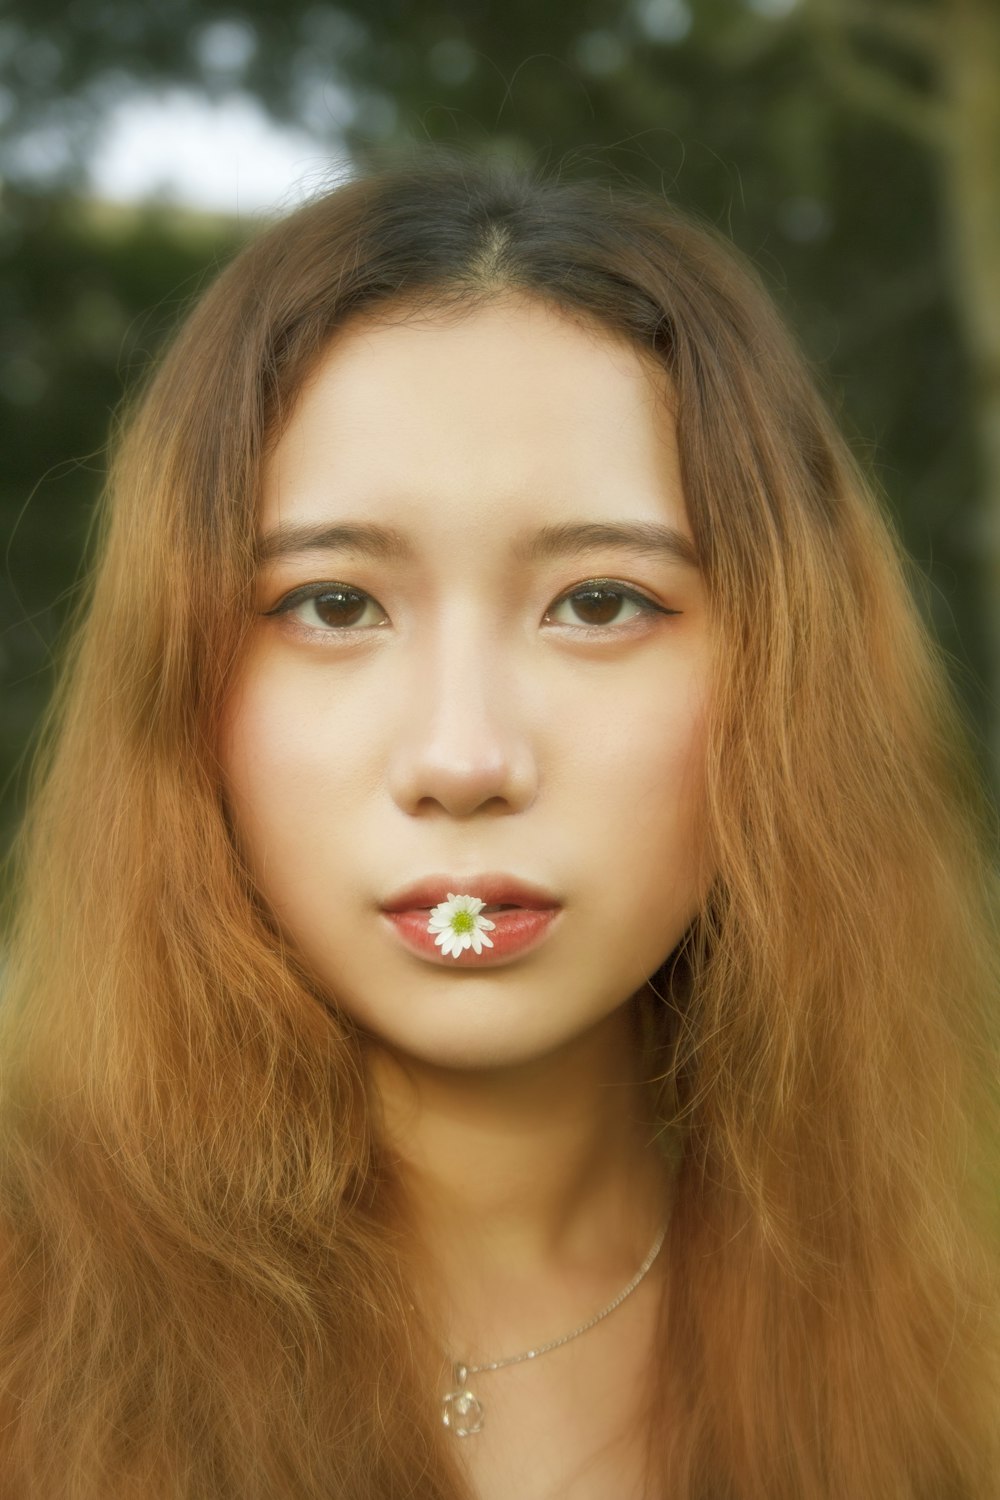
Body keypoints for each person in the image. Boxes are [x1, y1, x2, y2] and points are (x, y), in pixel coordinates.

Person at [0, 143, 997, 1500]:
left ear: (784, 681)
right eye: (334, 605)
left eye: (599, 602)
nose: (464, 759)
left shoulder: (958, 1336)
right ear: (178, 691)